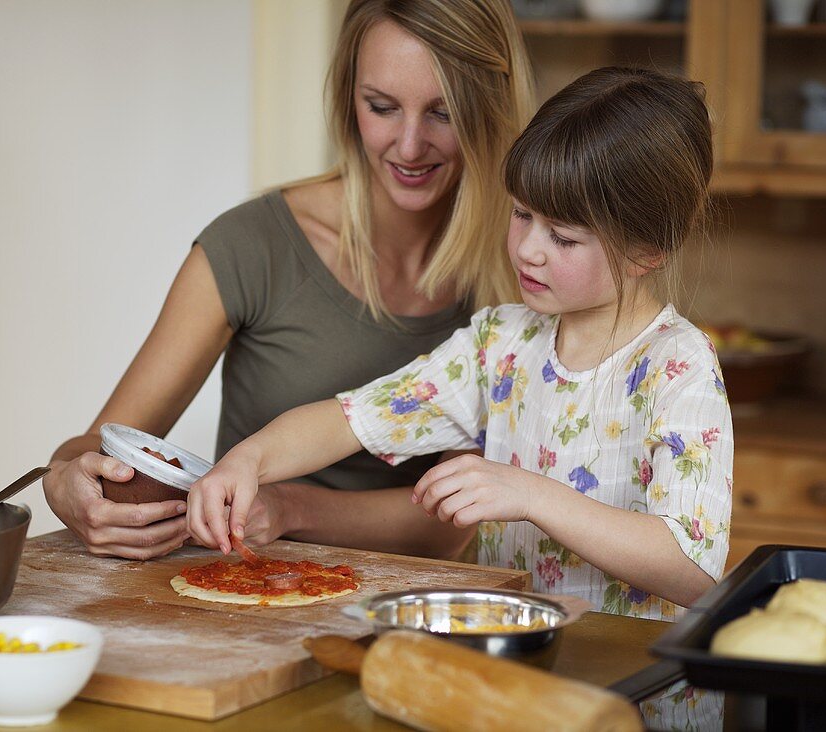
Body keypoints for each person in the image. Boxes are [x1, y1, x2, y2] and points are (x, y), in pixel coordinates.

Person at [188, 66, 733, 620]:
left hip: (632, 691)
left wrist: (531, 495)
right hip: (520, 674)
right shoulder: (500, 343)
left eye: (563, 237)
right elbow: (349, 419)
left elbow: (694, 569)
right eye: (522, 215)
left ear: (648, 251)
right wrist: (248, 459)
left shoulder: (677, 365)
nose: (528, 250)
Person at [43, 0, 536, 560]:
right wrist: (63, 484)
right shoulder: (253, 246)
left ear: (490, 107)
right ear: (348, 98)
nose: (408, 145)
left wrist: (288, 508)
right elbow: (100, 443)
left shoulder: (529, 266)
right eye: (381, 106)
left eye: (442, 113)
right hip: (243, 588)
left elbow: (447, 524)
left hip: (417, 607)